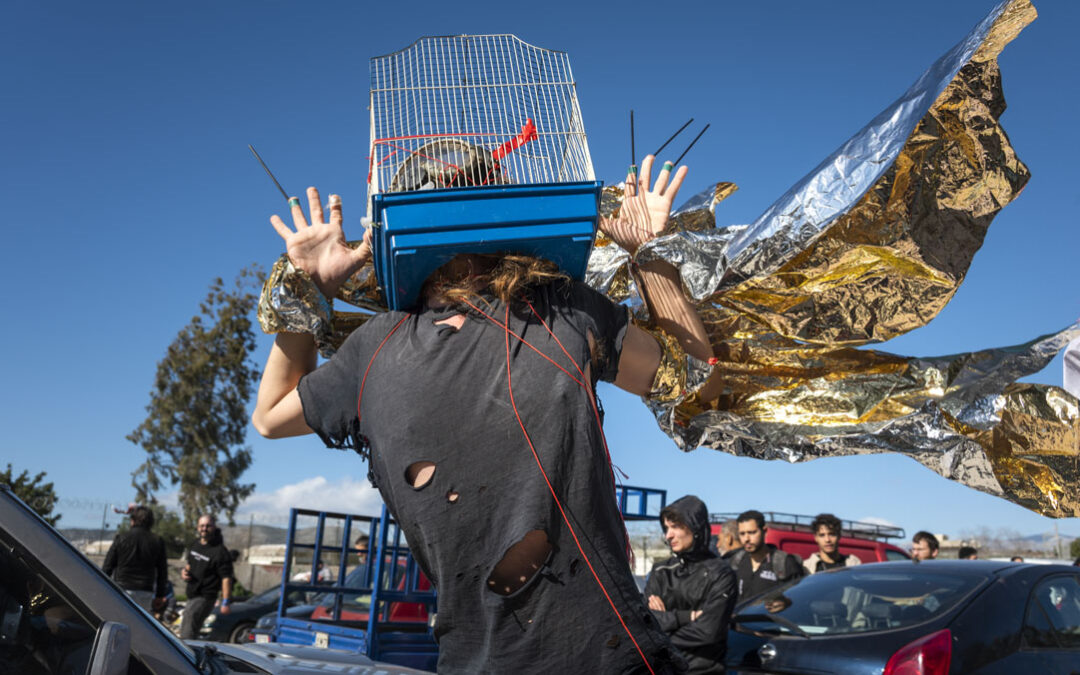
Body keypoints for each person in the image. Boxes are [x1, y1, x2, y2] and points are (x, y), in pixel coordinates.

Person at [251, 156, 707, 673]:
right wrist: (309, 287)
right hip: (474, 659)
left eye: (471, 181)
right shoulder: (374, 347)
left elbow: (689, 375)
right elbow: (270, 417)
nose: (455, 191)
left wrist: (648, 253)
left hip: (607, 653)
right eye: (438, 183)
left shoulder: (560, 307)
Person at [645, 496, 736, 674]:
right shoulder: (661, 570)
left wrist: (662, 629)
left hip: (701, 670)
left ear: (695, 527)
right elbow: (646, 623)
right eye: (666, 528)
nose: (668, 535)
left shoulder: (721, 574)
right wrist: (687, 617)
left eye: (676, 526)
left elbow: (709, 631)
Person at [101, 505, 168, 612]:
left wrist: (102, 587)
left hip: (122, 587)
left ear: (132, 521)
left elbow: (108, 566)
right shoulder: (157, 541)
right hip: (145, 590)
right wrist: (160, 595)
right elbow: (162, 571)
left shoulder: (121, 538)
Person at [727, 510, 803, 602]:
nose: (746, 539)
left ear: (764, 531)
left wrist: (786, 603)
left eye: (752, 533)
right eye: (742, 534)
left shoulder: (784, 563)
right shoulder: (736, 562)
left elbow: (799, 599)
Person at [179, 514, 234, 639]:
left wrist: (226, 602)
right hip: (192, 594)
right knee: (189, 630)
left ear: (214, 527)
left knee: (186, 635)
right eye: (202, 525)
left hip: (205, 597)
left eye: (208, 526)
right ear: (198, 527)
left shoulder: (220, 551)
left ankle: (184, 656)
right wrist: (184, 572)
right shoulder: (195, 544)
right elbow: (189, 565)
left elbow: (226, 578)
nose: (204, 528)